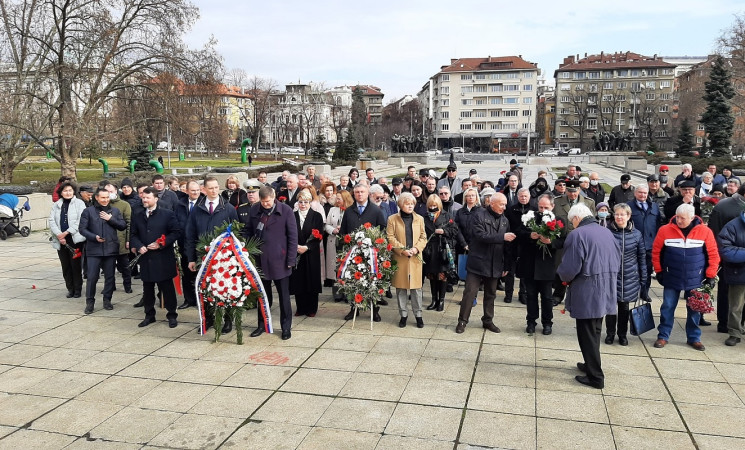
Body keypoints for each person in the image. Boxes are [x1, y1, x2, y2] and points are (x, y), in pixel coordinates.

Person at [557, 203, 620, 389]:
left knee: (587, 334)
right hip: (606, 288)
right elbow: (617, 257)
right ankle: (591, 364)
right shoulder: (606, 231)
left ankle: (595, 377)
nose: (572, 225)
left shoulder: (577, 235)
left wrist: (562, 278)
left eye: (572, 222)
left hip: (587, 290)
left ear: (576, 218)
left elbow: (569, 267)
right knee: (595, 331)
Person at [652, 204, 720, 351]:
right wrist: (659, 271)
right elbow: (656, 252)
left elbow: (713, 255)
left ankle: (694, 338)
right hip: (672, 275)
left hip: (696, 278)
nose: (679, 220)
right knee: (667, 307)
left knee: (695, 309)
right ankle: (663, 336)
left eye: (683, 218)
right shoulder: (664, 230)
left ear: (692, 217)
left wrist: (710, 275)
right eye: (677, 217)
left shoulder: (705, 232)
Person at [455, 193, 515, 334]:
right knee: (470, 292)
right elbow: (480, 236)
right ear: (492, 203)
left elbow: (507, 246)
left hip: (495, 264)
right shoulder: (479, 215)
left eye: (505, 204)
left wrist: (506, 265)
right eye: (501, 204)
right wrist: (502, 237)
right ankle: (462, 321)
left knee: (491, 294)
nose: (504, 207)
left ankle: (488, 320)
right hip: (477, 262)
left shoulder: (505, 221)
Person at [185, 177, 239, 334]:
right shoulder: (197, 209)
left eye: (216, 187)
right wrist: (191, 258)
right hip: (203, 256)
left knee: (227, 289)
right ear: (204, 190)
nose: (215, 190)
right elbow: (190, 235)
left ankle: (228, 320)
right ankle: (208, 319)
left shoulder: (228, 208)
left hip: (224, 257)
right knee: (206, 288)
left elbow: (237, 233)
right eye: (211, 188)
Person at [243, 186, 298, 340]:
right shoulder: (255, 210)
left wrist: (291, 259)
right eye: (263, 202)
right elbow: (247, 231)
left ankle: (285, 327)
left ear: (274, 197)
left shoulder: (286, 211)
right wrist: (248, 249)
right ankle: (262, 325)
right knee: (262, 296)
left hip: (280, 260)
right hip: (260, 260)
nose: (266, 204)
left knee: (284, 297)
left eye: (268, 202)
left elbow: (293, 237)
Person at [130, 187, 181, 328]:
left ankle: (172, 315)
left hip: (163, 258)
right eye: (143, 198)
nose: (144, 200)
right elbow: (133, 234)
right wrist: (139, 245)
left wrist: (161, 243)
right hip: (146, 258)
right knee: (148, 289)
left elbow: (176, 232)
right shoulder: (138, 215)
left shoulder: (167, 214)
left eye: (147, 198)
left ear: (156, 199)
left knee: (167, 289)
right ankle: (149, 315)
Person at [516, 194, 563, 335]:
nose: (542, 210)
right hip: (530, 263)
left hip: (547, 265)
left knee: (547, 297)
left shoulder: (558, 220)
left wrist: (551, 242)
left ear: (552, 206)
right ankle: (531, 321)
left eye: (546, 207)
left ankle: (547, 323)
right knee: (530, 296)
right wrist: (530, 236)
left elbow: (563, 241)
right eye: (540, 207)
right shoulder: (530, 216)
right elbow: (519, 232)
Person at [339, 183, 386, 321]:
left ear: (368, 194)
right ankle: (354, 308)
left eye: (362, 192)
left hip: (371, 253)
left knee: (373, 282)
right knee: (354, 281)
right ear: (354, 193)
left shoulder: (376, 211)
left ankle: (375, 310)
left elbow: (382, 230)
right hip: (353, 253)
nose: (359, 194)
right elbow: (343, 231)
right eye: (357, 192)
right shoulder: (349, 211)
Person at [79, 188, 127, 314]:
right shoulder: (88, 211)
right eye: (103, 198)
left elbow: (123, 226)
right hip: (94, 250)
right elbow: (82, 229)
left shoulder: (115, 211)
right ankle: (90, 302)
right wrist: (94, 237)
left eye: (107, 197)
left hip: (110, 249)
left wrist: (110, 219)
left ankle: (107, 300)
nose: (105, 200)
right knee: (92, 277)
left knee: (110, 277)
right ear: (97, 198)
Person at [605, 204, 646, 346]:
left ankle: (622, 334)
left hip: (629, 276)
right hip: (611, 275)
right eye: (617, 214)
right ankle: (610, 333)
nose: (619, 217)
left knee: (624, 307)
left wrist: (643, 278)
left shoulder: (636, 234)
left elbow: (641, 257)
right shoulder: (606, 232)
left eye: (622, 214)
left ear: (628, 216)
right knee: (610, 306)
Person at [707, 183, 745, 333]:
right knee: (727, 292)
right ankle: (726, 323)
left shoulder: (725, 205)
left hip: (731, 255)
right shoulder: (725, 207)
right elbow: (714, 233)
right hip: (728, 258)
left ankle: (733, 324)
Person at [387, 193, 428, 328]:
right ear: (400, 205)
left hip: (415, 257)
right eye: (407, 203)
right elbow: (391, 238)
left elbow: (423, 237)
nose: (410, 206)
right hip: (401, 257)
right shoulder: (392, 219)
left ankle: (418, 315)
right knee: (401, 288)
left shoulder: (419, 219)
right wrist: (402, 249)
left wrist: (416, 249)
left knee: (416, 288)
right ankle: (403, 315)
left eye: (412, 203)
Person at [422, 194, 460, 312]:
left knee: (442, 276)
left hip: (442, 248)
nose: (433, 207)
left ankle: (441, 300)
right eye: (431, 205)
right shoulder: (424, 217)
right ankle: (434, 300)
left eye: (435, 205)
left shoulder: (447, 215)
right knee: (432, 276)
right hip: (430, 250)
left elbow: (455, 230)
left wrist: (444, 231)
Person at [49, 182, 87, 299]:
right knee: (65, 266)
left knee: (75, 265)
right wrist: (59, 235)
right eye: (65, 191)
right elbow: (51, 221)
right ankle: (70, 288)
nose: (68, 193)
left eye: (70, 190)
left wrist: (67, 232)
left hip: (74, 240)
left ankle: (77, 289)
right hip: (60, 240)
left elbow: (81, 220)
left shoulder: (79, 203)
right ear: (61, 192)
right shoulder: (56, 205)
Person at [290, 191, 324, 317]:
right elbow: (289, 233)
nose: (303, 204)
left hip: (311, 253)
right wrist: (296, 246)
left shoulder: (316, 216)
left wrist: (307, 247)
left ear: (310, 203)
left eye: (305, 202)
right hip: (297, 252)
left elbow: (319, 235)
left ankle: (312, 308)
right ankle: (300, 307)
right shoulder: (292, 216)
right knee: (298, 280)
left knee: (311, 280)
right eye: (300, 202)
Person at [628, 184, 663, 303]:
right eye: (640, 192)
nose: (643, 195)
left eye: (645, 193)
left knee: (647, 271)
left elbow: (658, 223)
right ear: (635, 193)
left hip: (649, 245)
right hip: (633, 244)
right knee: (632, 270)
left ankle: (645, 292)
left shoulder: (654, 206)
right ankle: (632, 292)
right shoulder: (628, 206)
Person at [174, 180, 202, 310]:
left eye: (197, 190)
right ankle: (188, 299)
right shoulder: (180, 204)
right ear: (187, 191)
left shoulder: (203, 203)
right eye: (193, 191)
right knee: (186, 274)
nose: (196, 193)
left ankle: (201, 299)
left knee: (200, 274)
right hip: (184, 244)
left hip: (201, 245)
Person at [719, 211, 745, 346]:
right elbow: (725, 250)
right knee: (736, 305)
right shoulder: (732, 226)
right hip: (739, 272)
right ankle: (734, 333)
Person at [104, 183, 133, 294]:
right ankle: (111, 286)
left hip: (120, 240)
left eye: (111, 191)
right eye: (107, 191)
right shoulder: (102, 204)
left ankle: (127, 285)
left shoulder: (124, 205)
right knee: (108, 267)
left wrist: (128, 240)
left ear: (116, 191)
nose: (109, 194)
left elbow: (128, 223)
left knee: (125, 266)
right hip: (107, 241)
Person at [326, 190, 354, 301]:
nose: (337, 200)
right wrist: (333, 230)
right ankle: (337, 292)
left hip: (347, 242)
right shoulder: (333, 209)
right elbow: (326, 224)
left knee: (347, 267)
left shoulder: (351, 210)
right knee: (335, 267)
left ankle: (347, 292)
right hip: (334, 240)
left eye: (339, 198)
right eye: (336, 198)